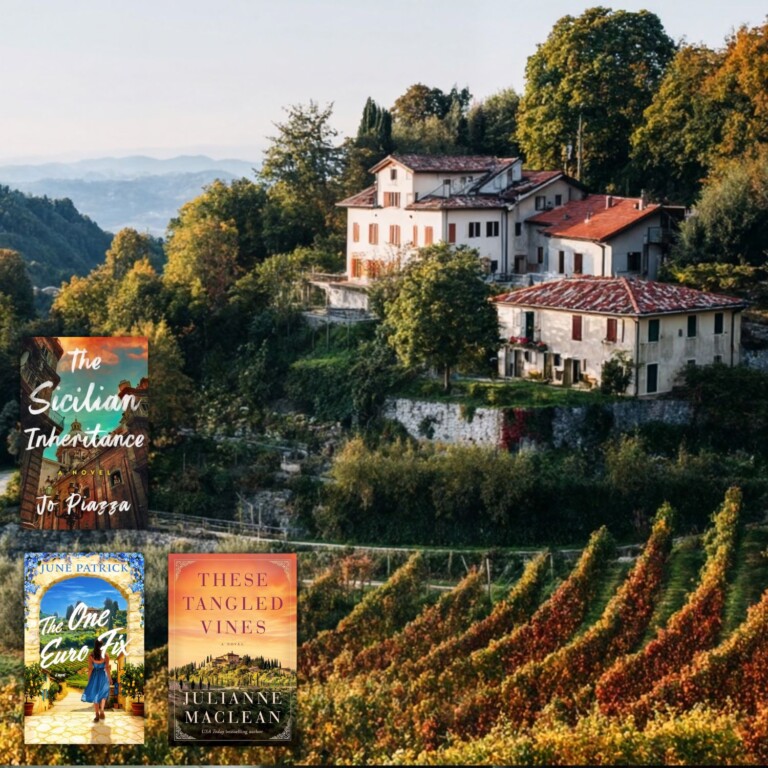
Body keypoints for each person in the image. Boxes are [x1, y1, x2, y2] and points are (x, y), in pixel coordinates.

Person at [81, 638, 111, 722]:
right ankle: (102, 710)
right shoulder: (106, 655)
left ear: (95, 645)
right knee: (103, 694)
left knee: (95, 694)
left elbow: (90, 668)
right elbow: (107, 668)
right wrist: (110, 678)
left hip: (94, 676)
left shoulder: (91, 655)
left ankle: (97, 714)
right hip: (102, 675)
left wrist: (89, 679)